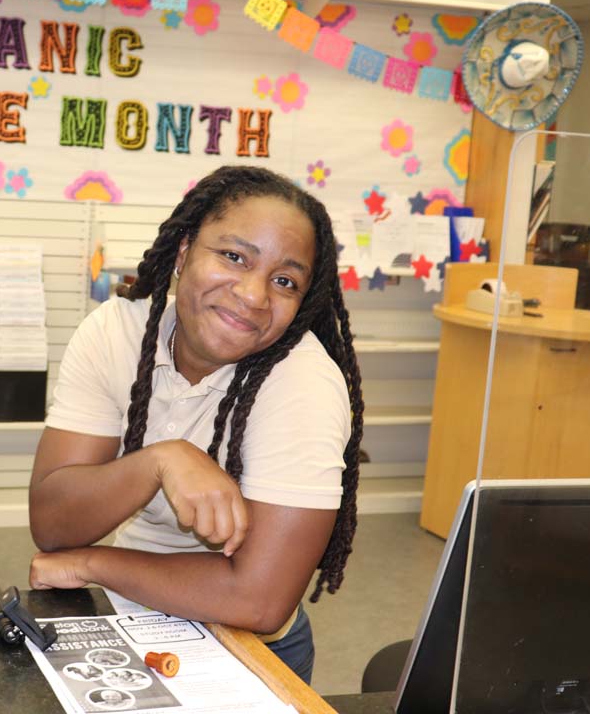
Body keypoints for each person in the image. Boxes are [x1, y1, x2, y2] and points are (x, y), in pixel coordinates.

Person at [28, 166, 364, 683]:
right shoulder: (117, 331)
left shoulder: (304, 382)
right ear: (184, 252)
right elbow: (53, 525)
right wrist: (162, 460)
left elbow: (260, 599)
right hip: (128, 622)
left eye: (284, 281)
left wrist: (90, 565)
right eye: (233, 256)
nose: (254, 295)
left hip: (250, 649)